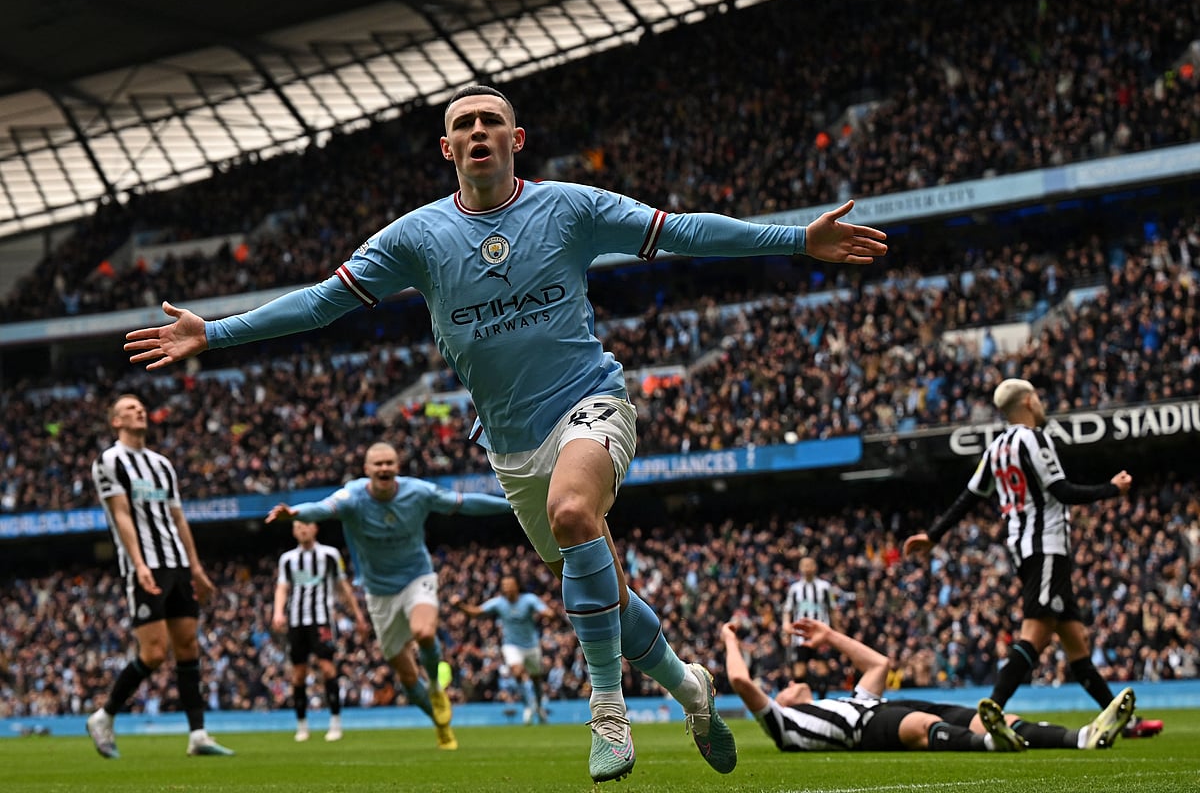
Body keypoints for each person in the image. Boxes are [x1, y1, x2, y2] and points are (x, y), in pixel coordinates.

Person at [123, 83, 888, 783]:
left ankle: (607, 712)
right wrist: (214, 334)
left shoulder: (569, 207)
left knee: (572, 514)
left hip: (591, 401)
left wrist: (794, 240)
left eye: (492, 120)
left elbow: (680, 230)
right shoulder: (415, 238)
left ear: (517, 138)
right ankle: (690, 685)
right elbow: (325, 302)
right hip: (512, 445)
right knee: (610, 600)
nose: (479, 131)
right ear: (447, 149)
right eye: (464, 124)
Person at [902, 378, 1163, 739]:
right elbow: (1062, 490)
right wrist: (1111, 490)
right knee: (1035, 634)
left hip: (1026, 550)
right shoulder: (1035, 440)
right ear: (1028, 401)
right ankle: (990, 714)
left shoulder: (996, 448)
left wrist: (933, 535)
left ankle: (1126, 724)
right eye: (1037, 397)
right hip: (1046, 548)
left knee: (1077, 646)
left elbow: (969, 496)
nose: (1041, 403)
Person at [264, 441, 512, 751]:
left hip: (416, 577)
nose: (384, 468)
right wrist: (295, 512)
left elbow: (462, 502)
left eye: (389, 463)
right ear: (366, 470)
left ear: (397, 466)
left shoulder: (417, 492)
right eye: (377, 464)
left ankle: (436, 685)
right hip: (378, 593)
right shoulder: (353, 496)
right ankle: (440, 724)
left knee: (424, 632)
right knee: (407, 678)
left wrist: (510, 505)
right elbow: (325, 508)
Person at [721, 617, 1136, 753]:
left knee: (981, 717)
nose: (794, 683)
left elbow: (879, 664)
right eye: (787, 687)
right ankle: (994, 744)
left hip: (877, 710)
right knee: (919, 725)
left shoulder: (843, 701)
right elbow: (739, 678)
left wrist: (830, 637)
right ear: (779, 702)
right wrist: (729, 638)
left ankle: (1081, 737)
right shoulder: (785, 724)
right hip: (865, 730)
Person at [86, 394, 235, 758]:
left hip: (177, 563)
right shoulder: (109, 461)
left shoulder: (162, 464)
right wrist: (139, 564)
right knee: (153, 653)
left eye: (141, 407)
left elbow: (178, 518)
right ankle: (104, 717)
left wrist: (196, 568)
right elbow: (121, 514)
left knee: (188, 646)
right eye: (129, 409)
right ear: (116, 422)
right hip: (145, 563)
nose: (139, 411)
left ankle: (198, 735)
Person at [273, 519, 371, 742]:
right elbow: (282, 587)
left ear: (315, 528)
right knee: (298, 674)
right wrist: (278, 612)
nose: (303, 530)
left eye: (306, 525)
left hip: (321, 621)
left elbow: (342, 586)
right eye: (298, 527)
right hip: (296, 622)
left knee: (327, 668)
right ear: (294, 532)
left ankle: (335, 722)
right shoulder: (287, 559)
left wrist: (357, 615)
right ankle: (302, 725)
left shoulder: (329, 555)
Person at [452, 574, 556, 724]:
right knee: (517, 671)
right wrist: (460, 605)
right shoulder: (499, 603)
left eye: (509, 584)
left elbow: (545, 610)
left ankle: (539, 706)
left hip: (531, 645)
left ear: (516, 586)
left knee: (536, 679)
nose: (507, 587)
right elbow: (477, 612)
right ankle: (528, 706)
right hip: (511, 645)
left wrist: (550, 613)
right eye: (504, 585)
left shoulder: (529, 600)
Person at [781, 555, 838, 695]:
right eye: (804, 565)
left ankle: (822, 702)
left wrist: (836, 632)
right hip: (800, 635)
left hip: (820, 634)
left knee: (822, 669)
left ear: (815, 567)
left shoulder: (825, 587)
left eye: (809, 565)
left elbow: (833, 610)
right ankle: (802, 704)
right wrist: (786, 629)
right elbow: (787, 611)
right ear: (800, 568)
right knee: (799, 671)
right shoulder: (795, 589)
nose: (807, 568)